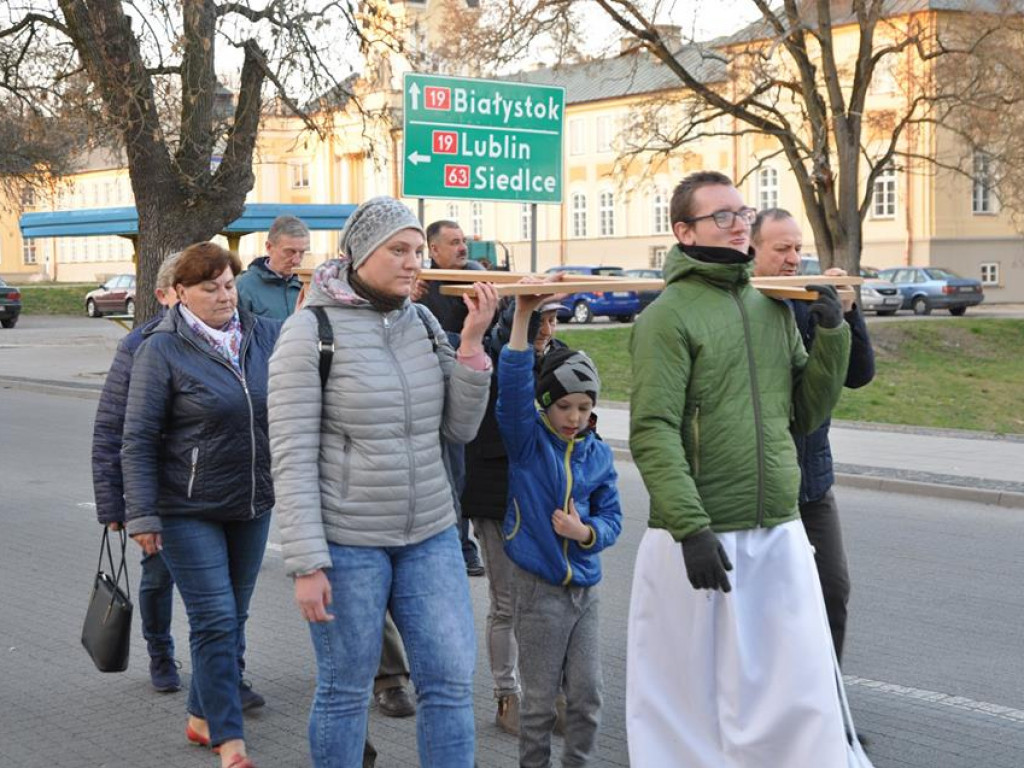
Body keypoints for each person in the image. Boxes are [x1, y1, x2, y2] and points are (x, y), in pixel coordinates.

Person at [627, 171, 869, 768]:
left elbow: (806, 414)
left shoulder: (771, 307)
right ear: (683, 232)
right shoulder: (667, 317)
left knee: (792, 689)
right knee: (691, 701)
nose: (739, 224)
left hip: (778, 531)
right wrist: (690, 527)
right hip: (706, 536)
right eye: (723, 216)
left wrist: (833, 333)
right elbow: (652, 431)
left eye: (742, 212)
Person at [267, 196, 496, 768]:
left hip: (431, 535)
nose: (412, 262)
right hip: (348, 544)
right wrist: (306, 564)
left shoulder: (420, 322)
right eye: (398, 250)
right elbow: (291, 457)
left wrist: (471, 344)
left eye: (417, 250)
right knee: (345, 691)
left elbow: (458, 428)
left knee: (448, 684)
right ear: (360, 253)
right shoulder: (308, 331)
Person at [122, 242, 281, 768]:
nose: (223, 296)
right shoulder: (160, 348)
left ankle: (199, 715)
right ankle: (229, 740)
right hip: (187, 508)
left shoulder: (262, 336)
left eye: (229, 285)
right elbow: (138, 438)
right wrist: (141, 513)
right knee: (213, 619)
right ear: (181, 294)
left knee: (234, 618)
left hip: (252, 502)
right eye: (209, 287)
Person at [496, 281, 622, 768]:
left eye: (584, 408)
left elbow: (612, 517)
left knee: (588, 699)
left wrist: (586, 533)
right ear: (546, 404)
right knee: (541, 704)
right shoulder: (528, 445)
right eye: (564, 406)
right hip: (539, 592)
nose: (573, 417)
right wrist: (523, 320)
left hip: (585, 592)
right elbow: (511, 386)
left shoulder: (599, 454)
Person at [752, 208, 876, 662]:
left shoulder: (810, 300)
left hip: (813, 481)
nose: (793, 258)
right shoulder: (747, 307)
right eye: (781, 249)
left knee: (832, 591)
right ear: (753, 249)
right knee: (768, 604)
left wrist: (846, 317)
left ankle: (827, 710)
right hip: (762, 484)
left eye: (798, 248)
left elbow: (859, 376)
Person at [462, 297, 569, 736]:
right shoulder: (491, 361)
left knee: (547, 601)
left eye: (554, 318)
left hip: (544, 499)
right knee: (506, 603)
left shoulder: (560, 360)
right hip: (497, 498)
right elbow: (488, 429)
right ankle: (507, 696)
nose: (549, 327)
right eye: (541, 318)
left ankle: (549, 696)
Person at [91, 252, 183, 694]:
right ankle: (160, 653)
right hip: (159, 488)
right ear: (165, 295)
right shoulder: (140, 344)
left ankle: (229, 669)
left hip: (213, 489)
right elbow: (111, 426)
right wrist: (113, 502)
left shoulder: (233, 336)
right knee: (158, 574)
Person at [414, 219, 489, 577]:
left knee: (469, 476)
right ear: (434, 251)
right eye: (454, 242)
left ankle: (466, 543)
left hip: (476, 392)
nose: (463, 248)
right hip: (436, 398)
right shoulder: (419, 289)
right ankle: (460, 547)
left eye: (464, 241)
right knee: (451, 475)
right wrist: (461, 343)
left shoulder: (476, 280)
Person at [236, 214, 307, 318]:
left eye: (302, 252)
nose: (297, 260)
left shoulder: (309, 286)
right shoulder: (244, 287)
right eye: (289, 252)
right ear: (269, 247)